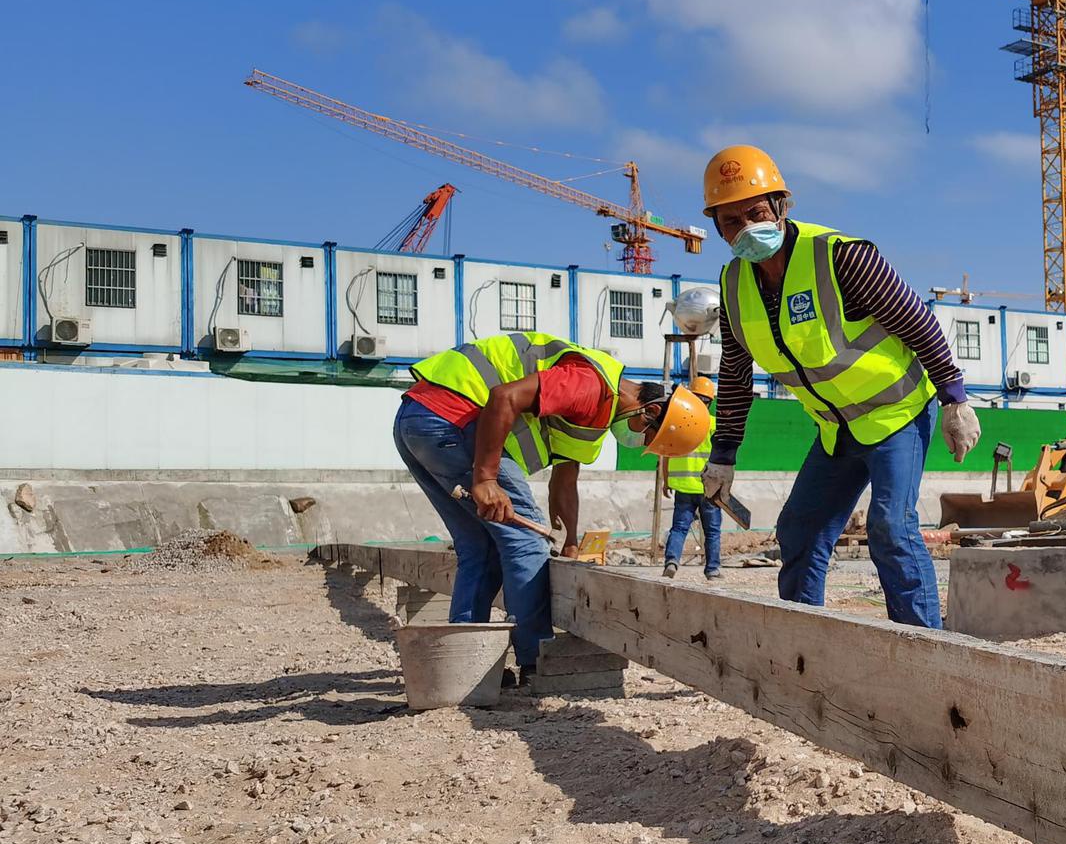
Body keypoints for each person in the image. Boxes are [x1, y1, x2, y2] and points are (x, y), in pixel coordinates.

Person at [697, 145, 979, 628]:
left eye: (755, 213)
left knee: (891, 528)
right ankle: (806, 645)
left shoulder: (841, 257)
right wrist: (723, 453)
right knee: (799, 528)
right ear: (718, 228)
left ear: (780, 206)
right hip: (837, 430)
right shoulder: (733, 285)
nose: (745, 228)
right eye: (730, 221)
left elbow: (918, 321)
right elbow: (736, 373)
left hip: (896, 415)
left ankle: (924, 649)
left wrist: (954, 399)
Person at [394, 330, 671, 684]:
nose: (639, 443)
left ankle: (465, 665)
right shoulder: (591, 385)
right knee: (527, 543)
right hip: (455, 419)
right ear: (650, 410)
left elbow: (564, 481)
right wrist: (486, 478)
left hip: (418, 420)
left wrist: (571, 541)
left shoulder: (598, 411)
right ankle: (537, 661)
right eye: (647, 436)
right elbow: (504, 397)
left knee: (480, 547)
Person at [663, 375, 723, 581]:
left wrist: (666, 481)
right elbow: (724, 457)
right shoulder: (714, 425)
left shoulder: (678, 423)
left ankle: (671, 561)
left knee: (679, 528)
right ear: (710, 401)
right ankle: (712, 570)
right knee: (712, 531)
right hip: (709, 489)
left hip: (684, 488)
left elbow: (666, 453)